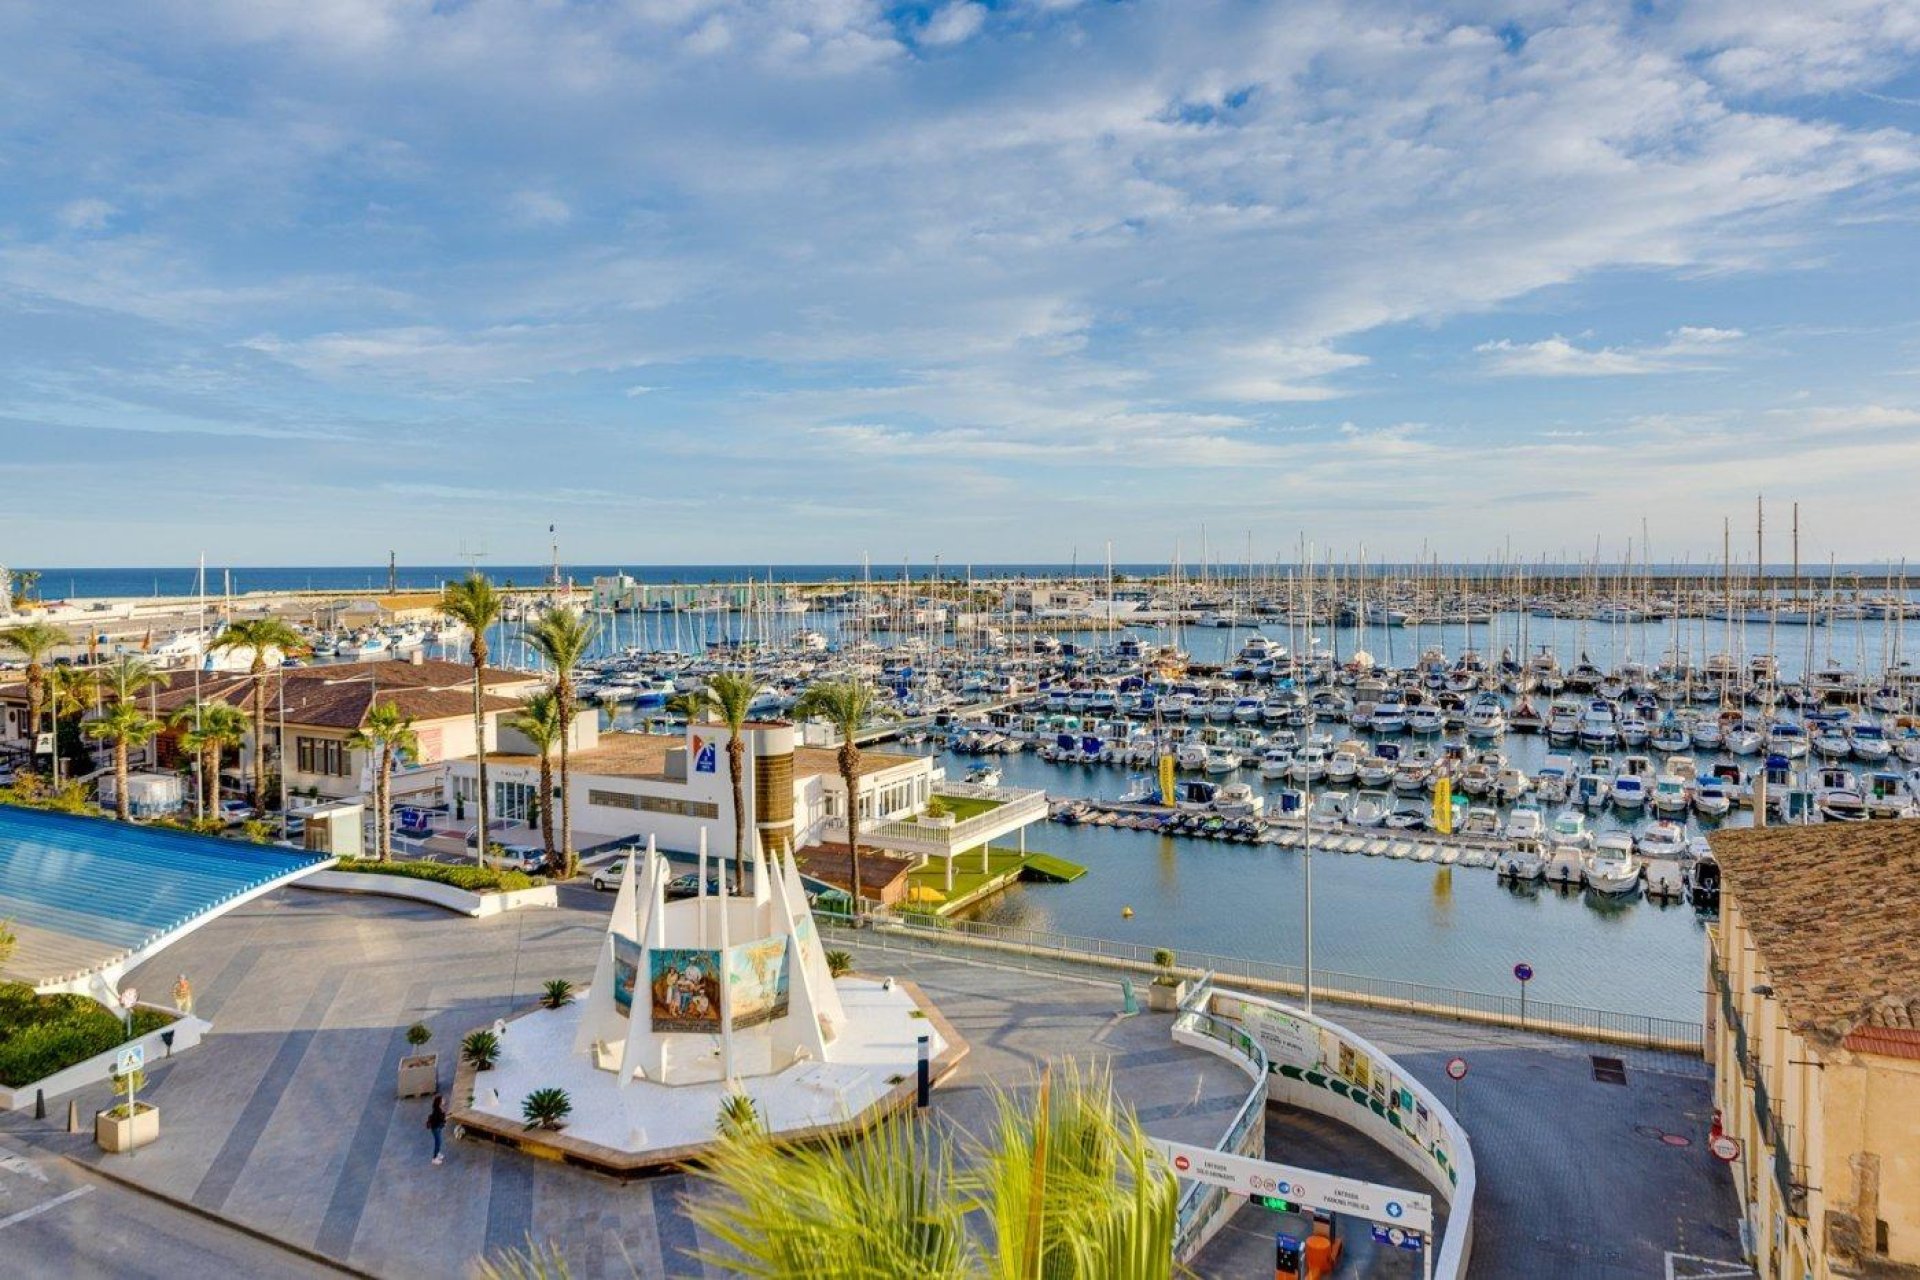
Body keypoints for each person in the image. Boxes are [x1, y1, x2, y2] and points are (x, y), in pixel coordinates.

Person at [426, 1094, 447, 1165]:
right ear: (440, 1102)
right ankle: (434, 1158)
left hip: (438, 1127)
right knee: (438, 1143)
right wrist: (445, 1117)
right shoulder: (437, 1111)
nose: (444, 1100)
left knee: (439, 1141)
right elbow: (441, 1119)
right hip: (436, 1128)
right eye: (443, 1100)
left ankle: (438, 1153)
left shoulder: (438, 1109)